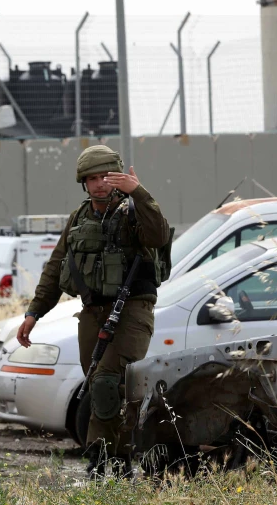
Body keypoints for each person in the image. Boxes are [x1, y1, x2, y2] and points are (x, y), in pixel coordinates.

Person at [15, 145, 171, 478]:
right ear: (83, 182)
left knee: (108, 381)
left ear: (117, 177)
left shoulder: (133, 211)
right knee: (101, 385)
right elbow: (56, 267)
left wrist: (139, 192)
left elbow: (157, 234)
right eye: (92, 178)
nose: (99, 184)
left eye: (105, 176)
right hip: (93, 312)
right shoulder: (79, 218)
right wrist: (34, 313)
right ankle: (117, 459)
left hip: (132, 310)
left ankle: (105, 458)